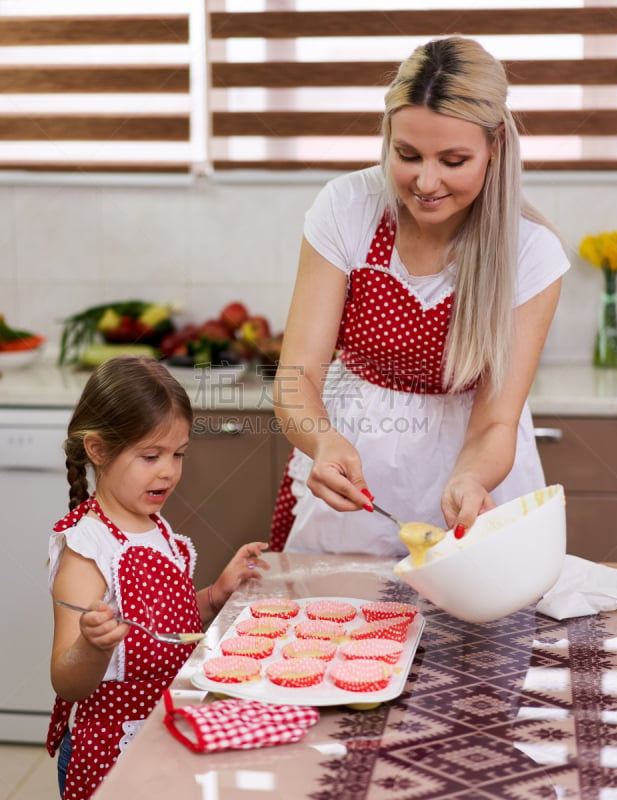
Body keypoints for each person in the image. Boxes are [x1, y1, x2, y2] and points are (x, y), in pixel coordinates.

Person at [270, 36, 570, 556]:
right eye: (407, 155)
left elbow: (497, 420)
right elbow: (296, 380)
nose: (426, 182)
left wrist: (472, 478)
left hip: (475, 465)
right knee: (339, 627)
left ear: (495, 145)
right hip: (358, 453)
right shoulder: (348, 208)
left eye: (453, 160)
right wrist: (321, 441)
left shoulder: (531, 252)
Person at [47, 355, 269, 800]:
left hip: (163, 727)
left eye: (178, 454)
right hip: (111, 750)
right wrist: (92, 646)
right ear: (98, 450)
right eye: (151, 456)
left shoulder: (156, 526)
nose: (168, 471)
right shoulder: (87, 551)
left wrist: (215, 594)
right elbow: (66, 681)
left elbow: (173, 628)